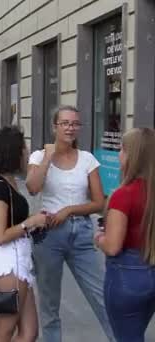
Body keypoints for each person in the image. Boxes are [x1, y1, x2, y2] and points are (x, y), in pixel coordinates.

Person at [26, 105, 113, 342]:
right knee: (49, 304)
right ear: (54, 126)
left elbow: (98, 203)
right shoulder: (38, 156)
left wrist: (69, 209)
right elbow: (33, 188)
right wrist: (47, 157)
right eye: (65, 123)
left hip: (82, 233)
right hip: (48, 236)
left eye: (75, 123)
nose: (70, 128)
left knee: (102, 295)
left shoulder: (87, 159)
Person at [0, 126, 48, 342]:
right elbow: (0, 235)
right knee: (4, 332)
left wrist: (33, 223)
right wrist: (30, 222)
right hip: (8, 263)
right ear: (13, 152)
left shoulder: (9, 182)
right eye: (24, 148)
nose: (27, 152)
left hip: (19, 260)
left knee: (29, 332)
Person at [94, 128, 155, 341]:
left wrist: (99, 238)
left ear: (133, 156)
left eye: (122, 149)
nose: (119, 154)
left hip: (127, 276)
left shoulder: (123, 195)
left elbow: (113, 246)